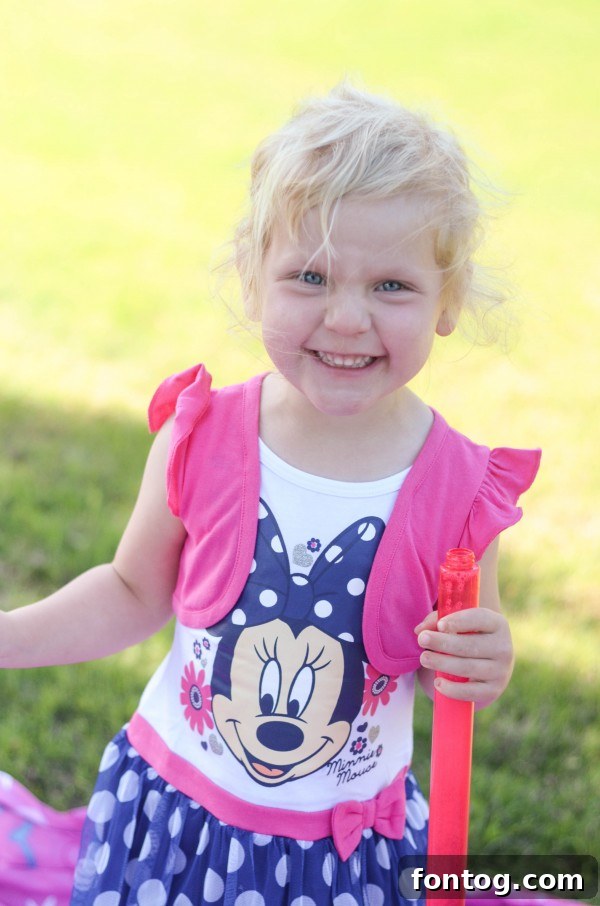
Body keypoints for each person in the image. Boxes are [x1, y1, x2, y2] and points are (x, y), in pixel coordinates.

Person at [0, 82, 540, 905]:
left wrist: (481, 662)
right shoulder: (201, 436)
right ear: (253, 280)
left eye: (391, 286)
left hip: (343, 854)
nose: (347, 319)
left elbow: (453, 672)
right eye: (310, 276)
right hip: (175, 821)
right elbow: (131, 592)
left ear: (448, 300)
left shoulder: (460, 492)